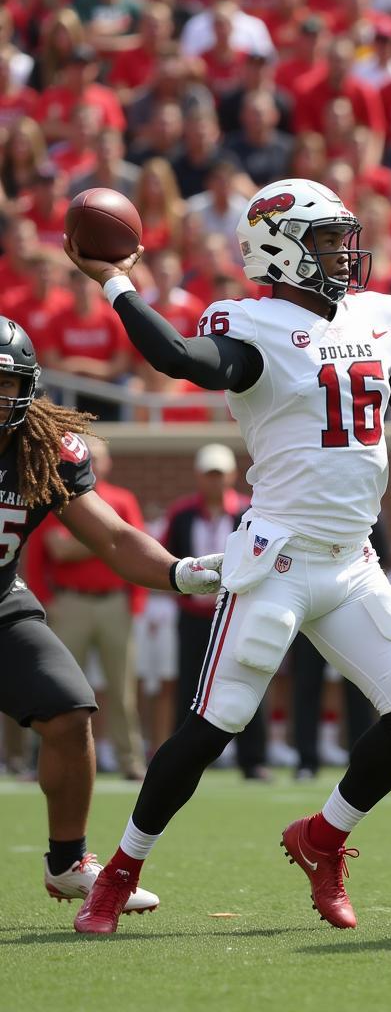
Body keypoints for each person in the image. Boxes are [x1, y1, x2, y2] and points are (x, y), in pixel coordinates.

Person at [66, 177, 391, 934]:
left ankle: (322, 839)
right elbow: (179, 356)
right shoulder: (253, 324)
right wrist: (116, 282)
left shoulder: (378, 316)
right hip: (276, 560)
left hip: (352, 561)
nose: (345, 252)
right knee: (213, 726)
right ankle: (118, 873)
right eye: (328, 239)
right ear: (279, 246)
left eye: (344, 237)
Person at [0, 317, 222, 915]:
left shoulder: (41, 447)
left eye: (4, 383)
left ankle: (68, 862)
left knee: (70, 714)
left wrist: (181, 572)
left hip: (1, 605)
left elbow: (117, 539)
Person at [27, 437, 147, 780]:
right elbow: (49, 551)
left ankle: (131, 761)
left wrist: (135, 602)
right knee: (55, 689)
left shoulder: (123, 499)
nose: (94, 461)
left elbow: (136, 549)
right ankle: (41, 761)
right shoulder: (59, 495)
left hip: (113, 604)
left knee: (122, 690)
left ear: (108, 463)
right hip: (69, 603)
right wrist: (107, 541)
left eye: (100, 457)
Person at [162, 443, 265, 778]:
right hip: (193, 616)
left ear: (232, 476)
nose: (215, 481)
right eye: (209, 475)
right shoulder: (181, 514)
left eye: (219, 474)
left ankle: (253, 760)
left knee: (248, 680)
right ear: (198, 476)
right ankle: (184, 762)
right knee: (190, 688)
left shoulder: (250, 514)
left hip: (238, 612)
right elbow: (167, 558)